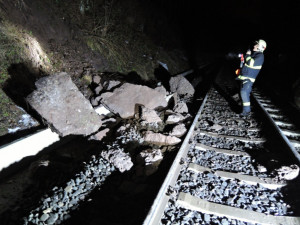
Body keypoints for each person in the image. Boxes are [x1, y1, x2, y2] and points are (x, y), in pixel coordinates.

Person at [236, 39, 266, 116]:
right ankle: (244, 109)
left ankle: (246, 111)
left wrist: (248, 55)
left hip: (249, 79)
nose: (254, 45)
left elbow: (251, 63)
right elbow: (247, 65)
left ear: (260, 47)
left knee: (244, 92)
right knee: (243, 93)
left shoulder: (260, 56)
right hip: (245, 77)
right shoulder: (255, 54)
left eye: (256, 45)